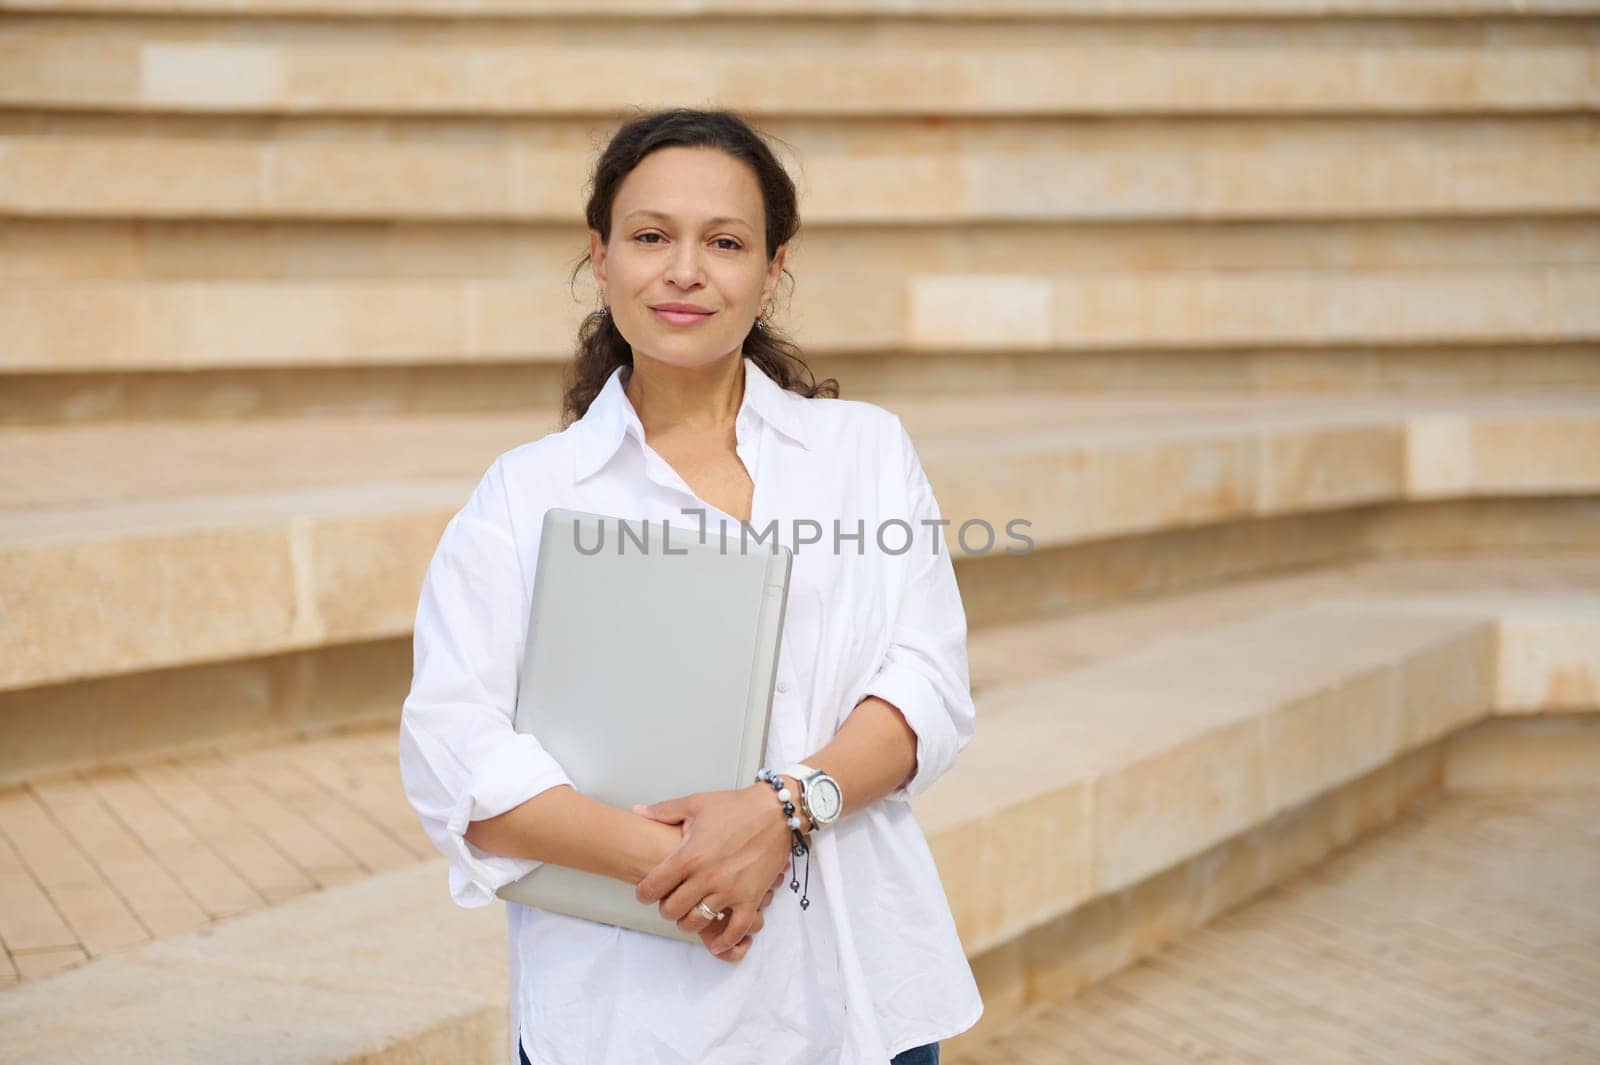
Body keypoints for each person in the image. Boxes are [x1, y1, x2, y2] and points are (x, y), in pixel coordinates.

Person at [398, 107, 982, 1065]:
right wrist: (693, 867)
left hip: (859, 998)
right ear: (599, 254)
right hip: (628, 1017)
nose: (684, 270)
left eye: (724, 241)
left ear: (773, 267)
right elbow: (454, 755)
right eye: (650, 236)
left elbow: (926, 684)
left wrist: (780, 813)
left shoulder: (863, 453)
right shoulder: (527, 494)